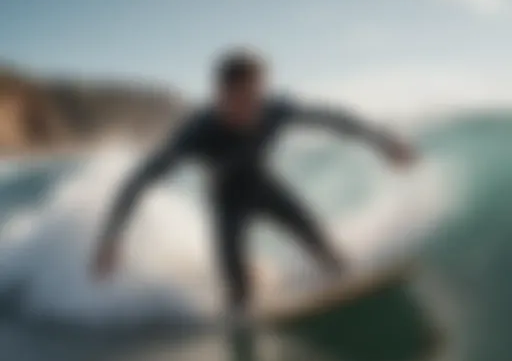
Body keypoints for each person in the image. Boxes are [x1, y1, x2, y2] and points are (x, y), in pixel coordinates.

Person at [92, 49, 416, 316]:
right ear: (221, 95)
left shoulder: (273, 109)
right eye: (241, 98)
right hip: (225, 202)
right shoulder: (197, 131)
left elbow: (332, 119)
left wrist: (385, 143)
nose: (251, 107)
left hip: (263, 186)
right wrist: (111, 239)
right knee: (240, 299)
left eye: (255, 94)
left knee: (327, 253)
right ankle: (246, 295)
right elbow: (139, 180)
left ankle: (352, 303)